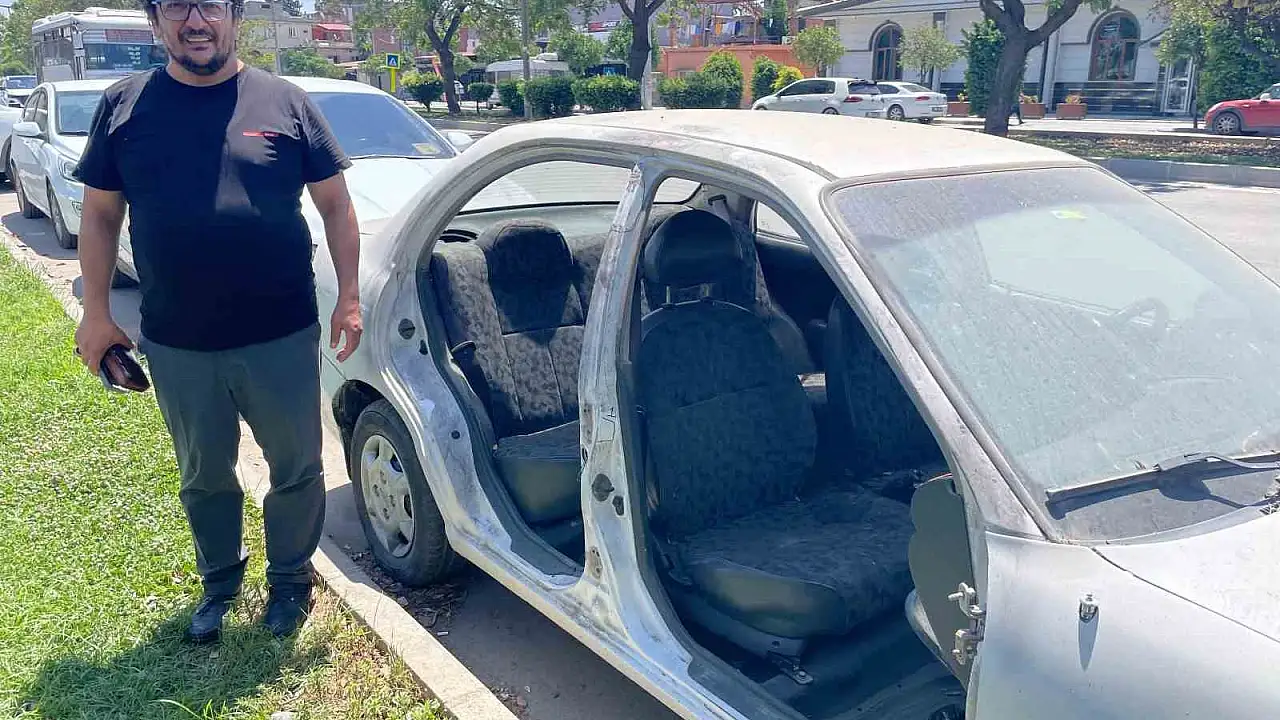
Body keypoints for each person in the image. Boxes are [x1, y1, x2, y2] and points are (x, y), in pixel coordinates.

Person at [73, 0, 362, 644]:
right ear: (156, 20)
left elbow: (337, 206)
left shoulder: (286, 102)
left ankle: (290, 580)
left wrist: (349, 296)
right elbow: (99, 215)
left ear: (234, 16)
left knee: (296, 467)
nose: (195, 20)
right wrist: (95, 313)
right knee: (204, 474)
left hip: (281, 335)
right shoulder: (123, 107)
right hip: (178, 341)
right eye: (176, 5)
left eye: (210, 4)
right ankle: (220, 582)